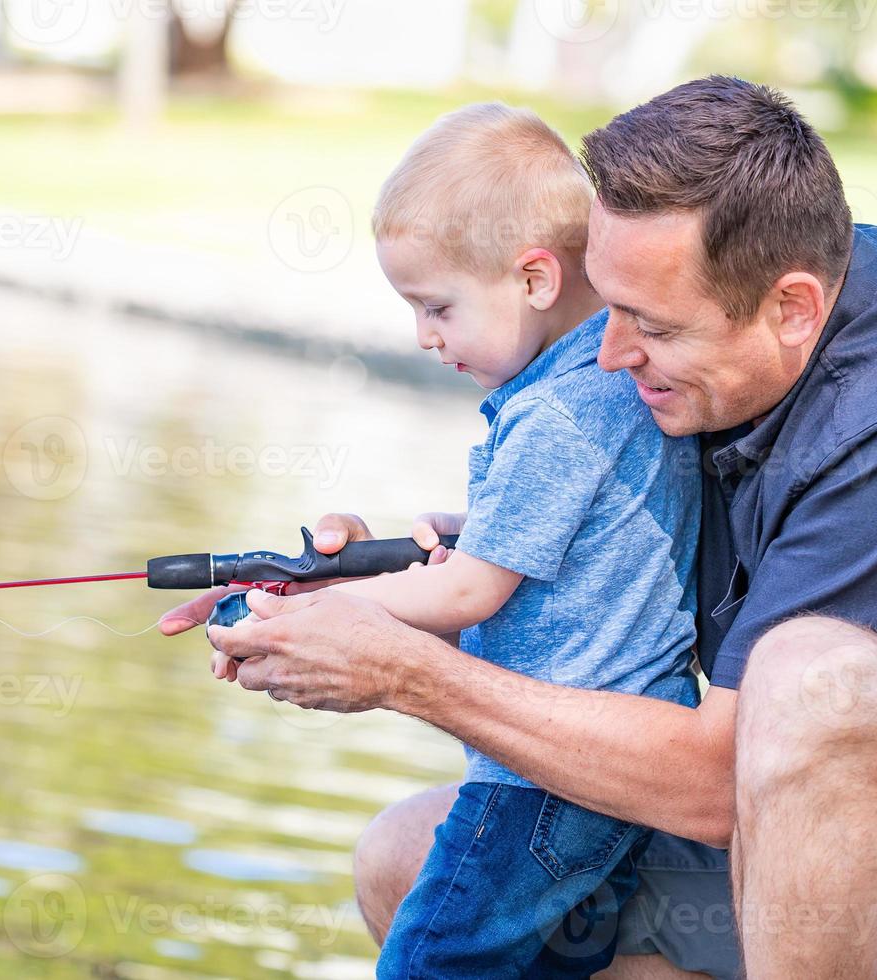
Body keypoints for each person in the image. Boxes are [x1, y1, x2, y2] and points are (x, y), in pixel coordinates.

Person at [167, 76, 877, 978]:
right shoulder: (749, 324)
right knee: (409, 861)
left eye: (649, 326)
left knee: (812, 683)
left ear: (795, 309)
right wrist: (382, 591)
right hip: (816, 840)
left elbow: (720, 778)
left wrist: (404, 670)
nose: (613, 356)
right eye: (604, 309)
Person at [214, 102, 701, 978]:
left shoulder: (556, 414)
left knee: (429, 960)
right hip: (608, 783)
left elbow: (467, 594)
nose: (423, 336)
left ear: (536, 280)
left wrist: (306, 599)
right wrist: (485, 528)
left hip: (541, 789)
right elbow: (598, 538)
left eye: (436, 306)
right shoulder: (608, 386)